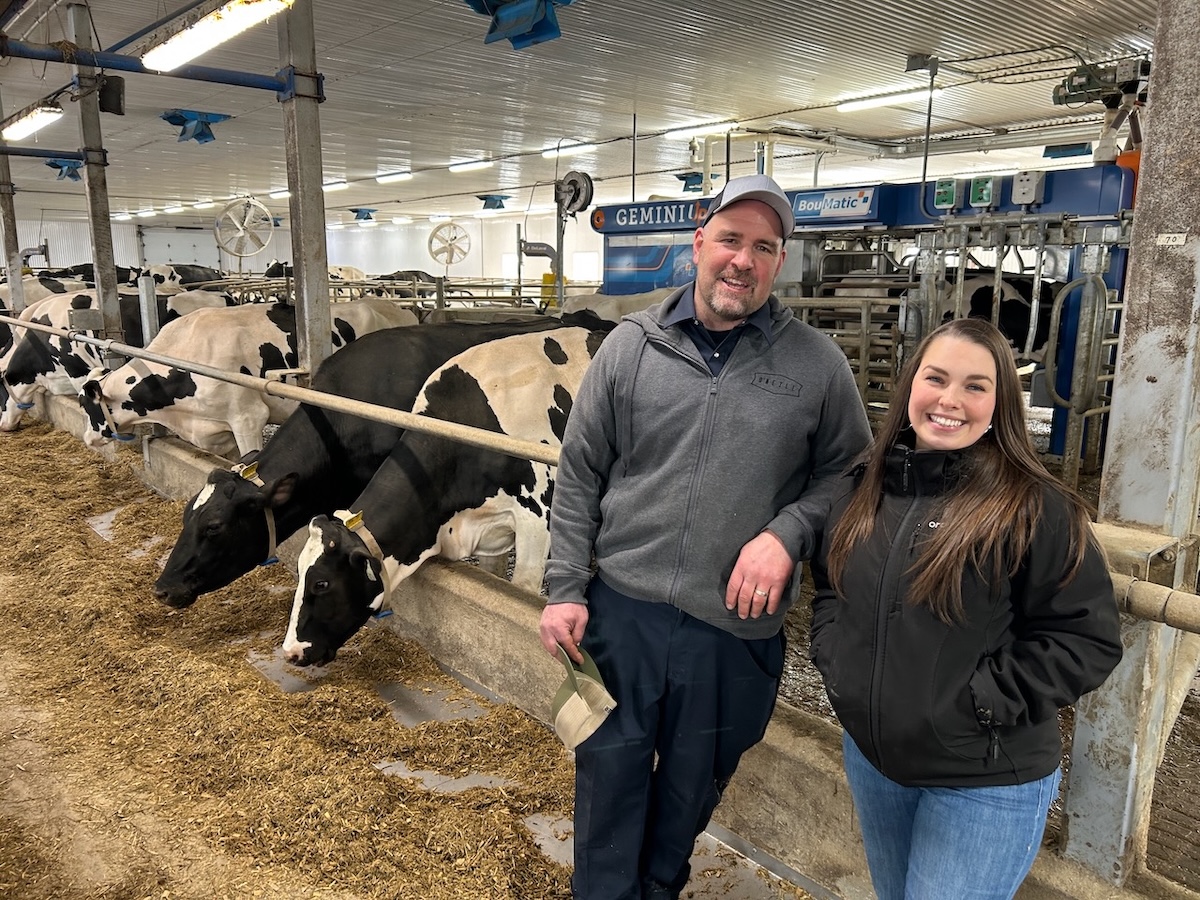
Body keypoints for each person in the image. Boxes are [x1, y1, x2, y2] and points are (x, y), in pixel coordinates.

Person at [539, 172, 873, 899]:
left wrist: (788, 532)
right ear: (698, 245)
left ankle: (658, 889)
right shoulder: (631, 347)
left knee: (692, 788)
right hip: (622, 612)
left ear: (779, 261)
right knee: (608, 775)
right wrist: (564, 587)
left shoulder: (816, 365)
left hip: (732, 629)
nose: (742, 260)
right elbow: (580, 475)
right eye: (729, 239)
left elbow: (851, 473)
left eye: (763, 246)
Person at [809, 317, 1124, 900]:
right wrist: (841, 669)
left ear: (1000, 402)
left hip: (982, 777)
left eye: (976, 386)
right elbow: (830, 588)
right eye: (937, 378)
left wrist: (979, 703)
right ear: (910, 387)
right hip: (876, 762)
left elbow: (1088, 639)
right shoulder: (863, 487)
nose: (951, 400)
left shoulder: (1034, 509)